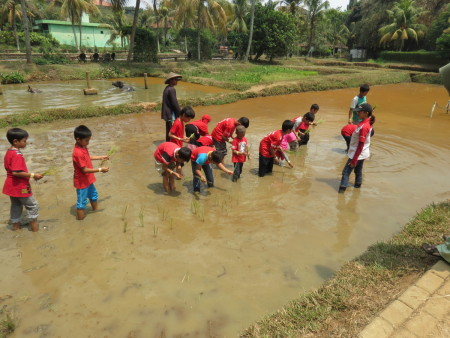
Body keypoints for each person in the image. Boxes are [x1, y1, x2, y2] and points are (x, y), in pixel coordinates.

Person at [2, 128, 42, 232]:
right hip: (20, 186)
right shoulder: (17, 155)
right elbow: (16, 172)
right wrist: (33, 175)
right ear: (16, 141)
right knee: (33, 205)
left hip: (11, 185)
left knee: (16, 205)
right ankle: (34, 229)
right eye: (24, 141)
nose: (26, 143)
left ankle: (16, 227)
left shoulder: (9, 152)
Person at [72, 125, 110, 220]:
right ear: (78, 139)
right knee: (81, 204)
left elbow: (88, 157)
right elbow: (84, 170)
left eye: (89, 140)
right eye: (86, 140)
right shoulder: (78, 152)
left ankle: (96, 214)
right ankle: (80, 222)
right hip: (81, 182)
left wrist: (100, 157)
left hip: (88, 180)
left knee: (94, 196)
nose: (88, 143)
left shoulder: (83, 146)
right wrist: (100, 169)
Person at [338, 103, 375, 193]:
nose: (357, 113)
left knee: (345, 173)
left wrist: (354, 160)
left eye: (359, 112)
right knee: (358, 171)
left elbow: (360, 145)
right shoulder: (365, 123)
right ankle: (357, 189)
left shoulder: (364, 127)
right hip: (361, 154)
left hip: (357, 154)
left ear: (366, 113)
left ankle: (341, 194)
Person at [162, 72, 182, 141]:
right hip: (170, 113)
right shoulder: (171, 89)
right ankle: (171, 144)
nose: (177, 81)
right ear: (171, 80)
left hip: (167, 113)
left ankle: (168, 143)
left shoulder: (167, 88)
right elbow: (174, 103)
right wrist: (180, 113)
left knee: (169, 129)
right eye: (175, 80)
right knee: (172, 130)